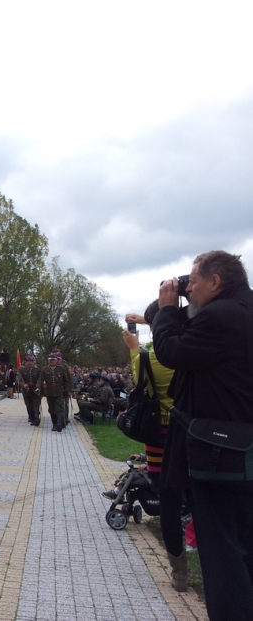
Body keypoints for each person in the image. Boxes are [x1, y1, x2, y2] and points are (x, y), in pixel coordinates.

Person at [155, 250, 253, 619]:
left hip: (220, 453)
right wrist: (181, 292)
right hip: (242, 447)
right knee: (244, 545)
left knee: (222, 551)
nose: (189, 288)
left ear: (215, 282)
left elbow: (171, 350)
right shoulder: (242, 308)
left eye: (194, 281)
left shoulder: (220, 316)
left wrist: (168, 309)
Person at [122, 301, 185, 592]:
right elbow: (175, 326)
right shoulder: (190, 350)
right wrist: (150, 321)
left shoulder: (148, 357)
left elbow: (138, 382)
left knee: (167, 497)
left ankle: (179, 572)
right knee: (197, 494)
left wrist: (134, 348)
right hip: (189, 429)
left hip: (159, 432)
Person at [38, 350, 69, 431]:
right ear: (48, 361)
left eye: (53, 360)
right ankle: (54, 423)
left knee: (59, 408)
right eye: (50, 360)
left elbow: (66, 380)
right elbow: (40, 380)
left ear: (56, 360)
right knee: (51, 409)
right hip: (49, 392)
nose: (52, 361)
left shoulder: (61, 368)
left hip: (59, 391)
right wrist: (40, 389)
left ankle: (59, 423)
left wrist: (66, 390)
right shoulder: (45, 369)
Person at [17, 354, 42, 426]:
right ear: (25, 362)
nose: (29, 362)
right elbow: (19, 379)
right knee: (29, 404)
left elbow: (40, 378)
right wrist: (23, 385)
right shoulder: (21, 370)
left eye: (31, 361)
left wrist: (38, 386)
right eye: (28, 361)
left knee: (36, 404)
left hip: (35, 389)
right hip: (27, 390)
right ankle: (31, 417)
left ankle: (36, 418)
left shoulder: (37, 369)